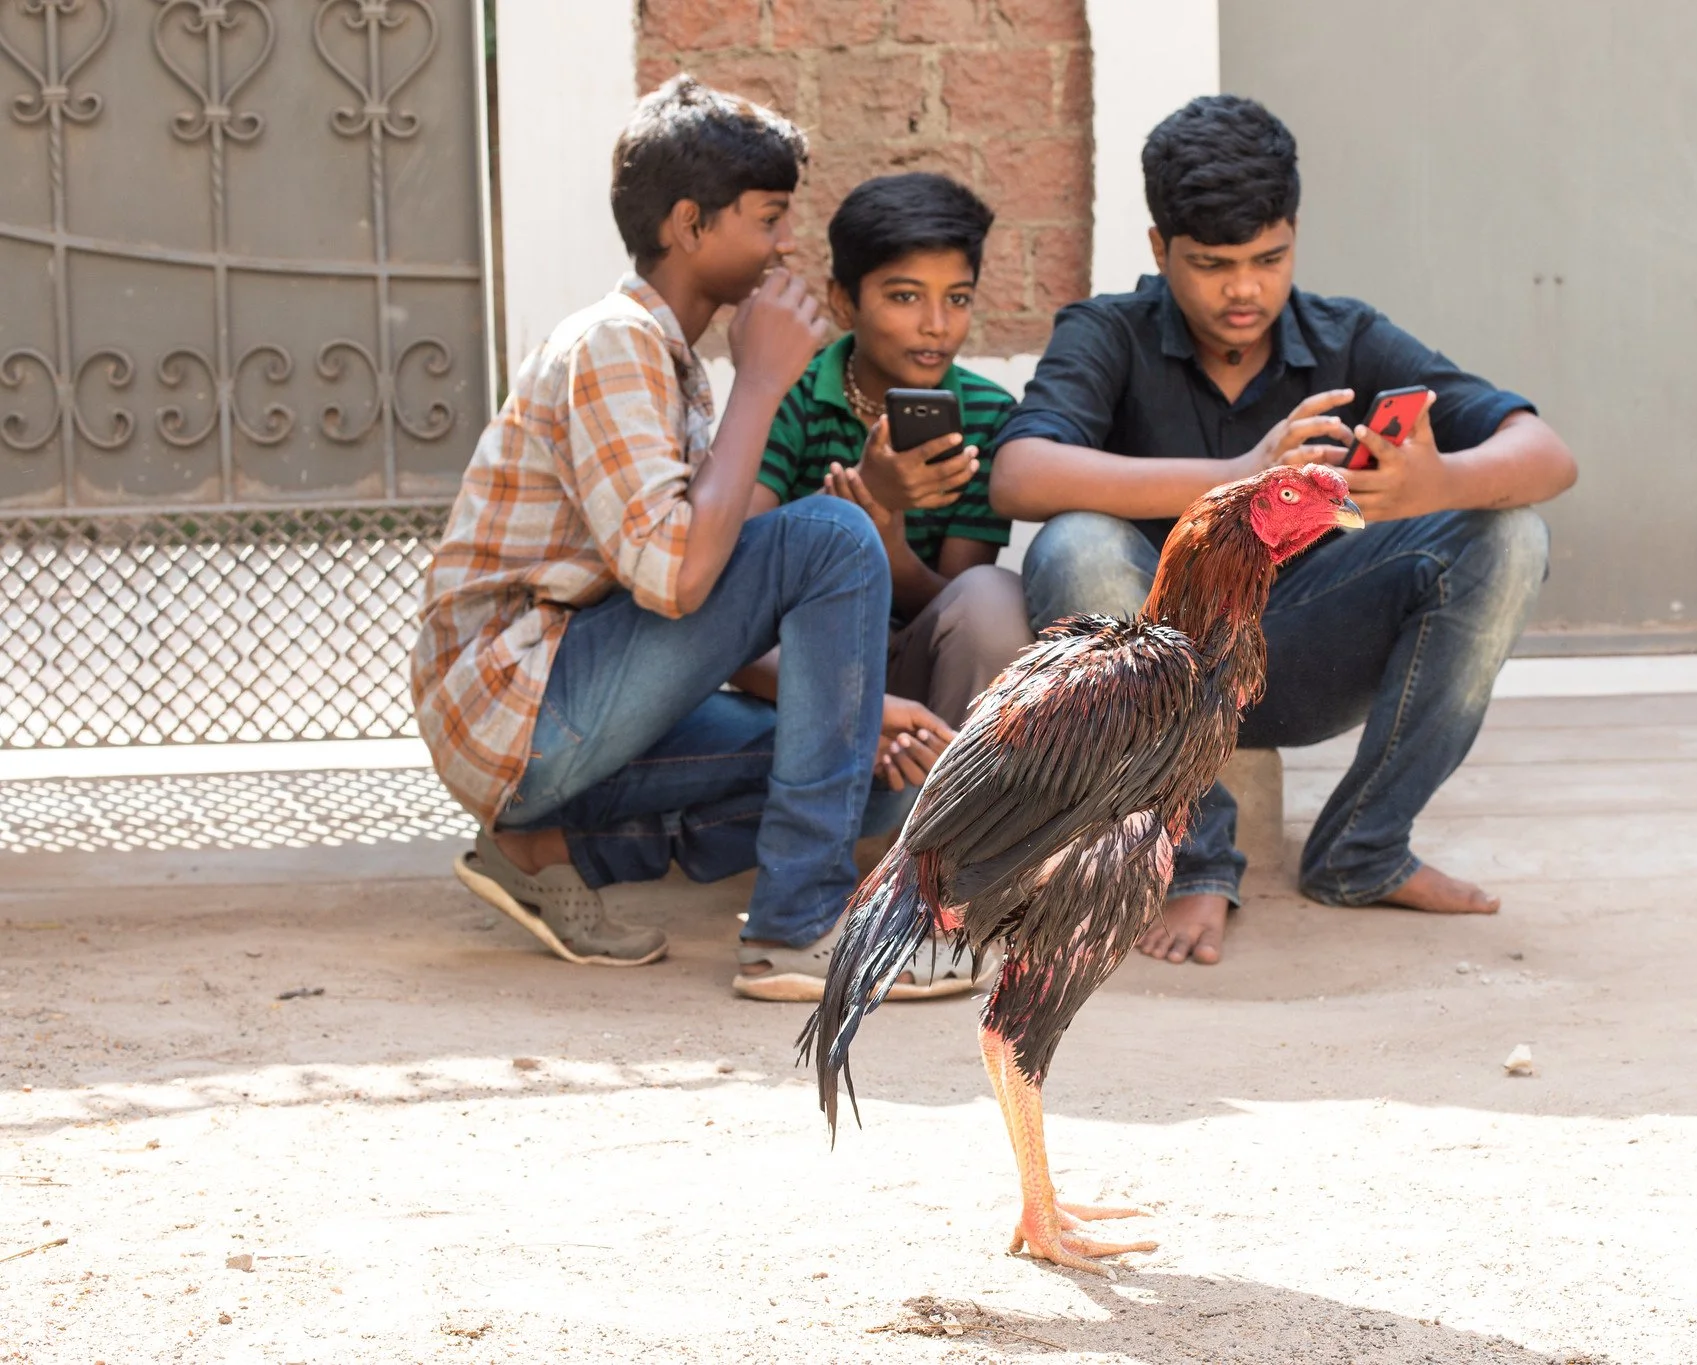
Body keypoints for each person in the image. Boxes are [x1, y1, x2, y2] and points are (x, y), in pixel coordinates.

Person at [411, 75, 978, 1002]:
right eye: (769, 218)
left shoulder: (669, 365)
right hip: (514, 707)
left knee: (867, 775)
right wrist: (761, 380)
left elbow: (701, 604)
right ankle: (797, 929)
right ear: (689, 224)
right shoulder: (613, 343)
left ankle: (542, 850)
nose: (786, 244)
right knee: (835, 534)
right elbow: (676, 581)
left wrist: (855, 710)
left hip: (562, 716)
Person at [989, 95, 1578, 967]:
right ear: (1159, 248)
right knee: (1076, 542)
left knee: (1510, 535)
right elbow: (1020, 474)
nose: (1244, 289)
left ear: (1294, 236)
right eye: (1212, 264)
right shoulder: (1108, 332)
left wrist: (1437, 483)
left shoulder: (1348, 335)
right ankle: (1189, 858)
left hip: (1301, 655)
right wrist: (1238, 474)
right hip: (1156, 676)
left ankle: (1363, 848)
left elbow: (1549, 455)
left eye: (1269, 259)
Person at [747, 172, 1034, 744]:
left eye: (958, 299)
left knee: (993, 594)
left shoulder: (986, 415)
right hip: (801, 661)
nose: (936, 325)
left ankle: (949, 787)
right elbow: (743, 568)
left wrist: (891, 548)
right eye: (905, 296)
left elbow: (959, 601)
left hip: (915, 663)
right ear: (843, 301)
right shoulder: (790, 394)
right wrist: (852, 507)